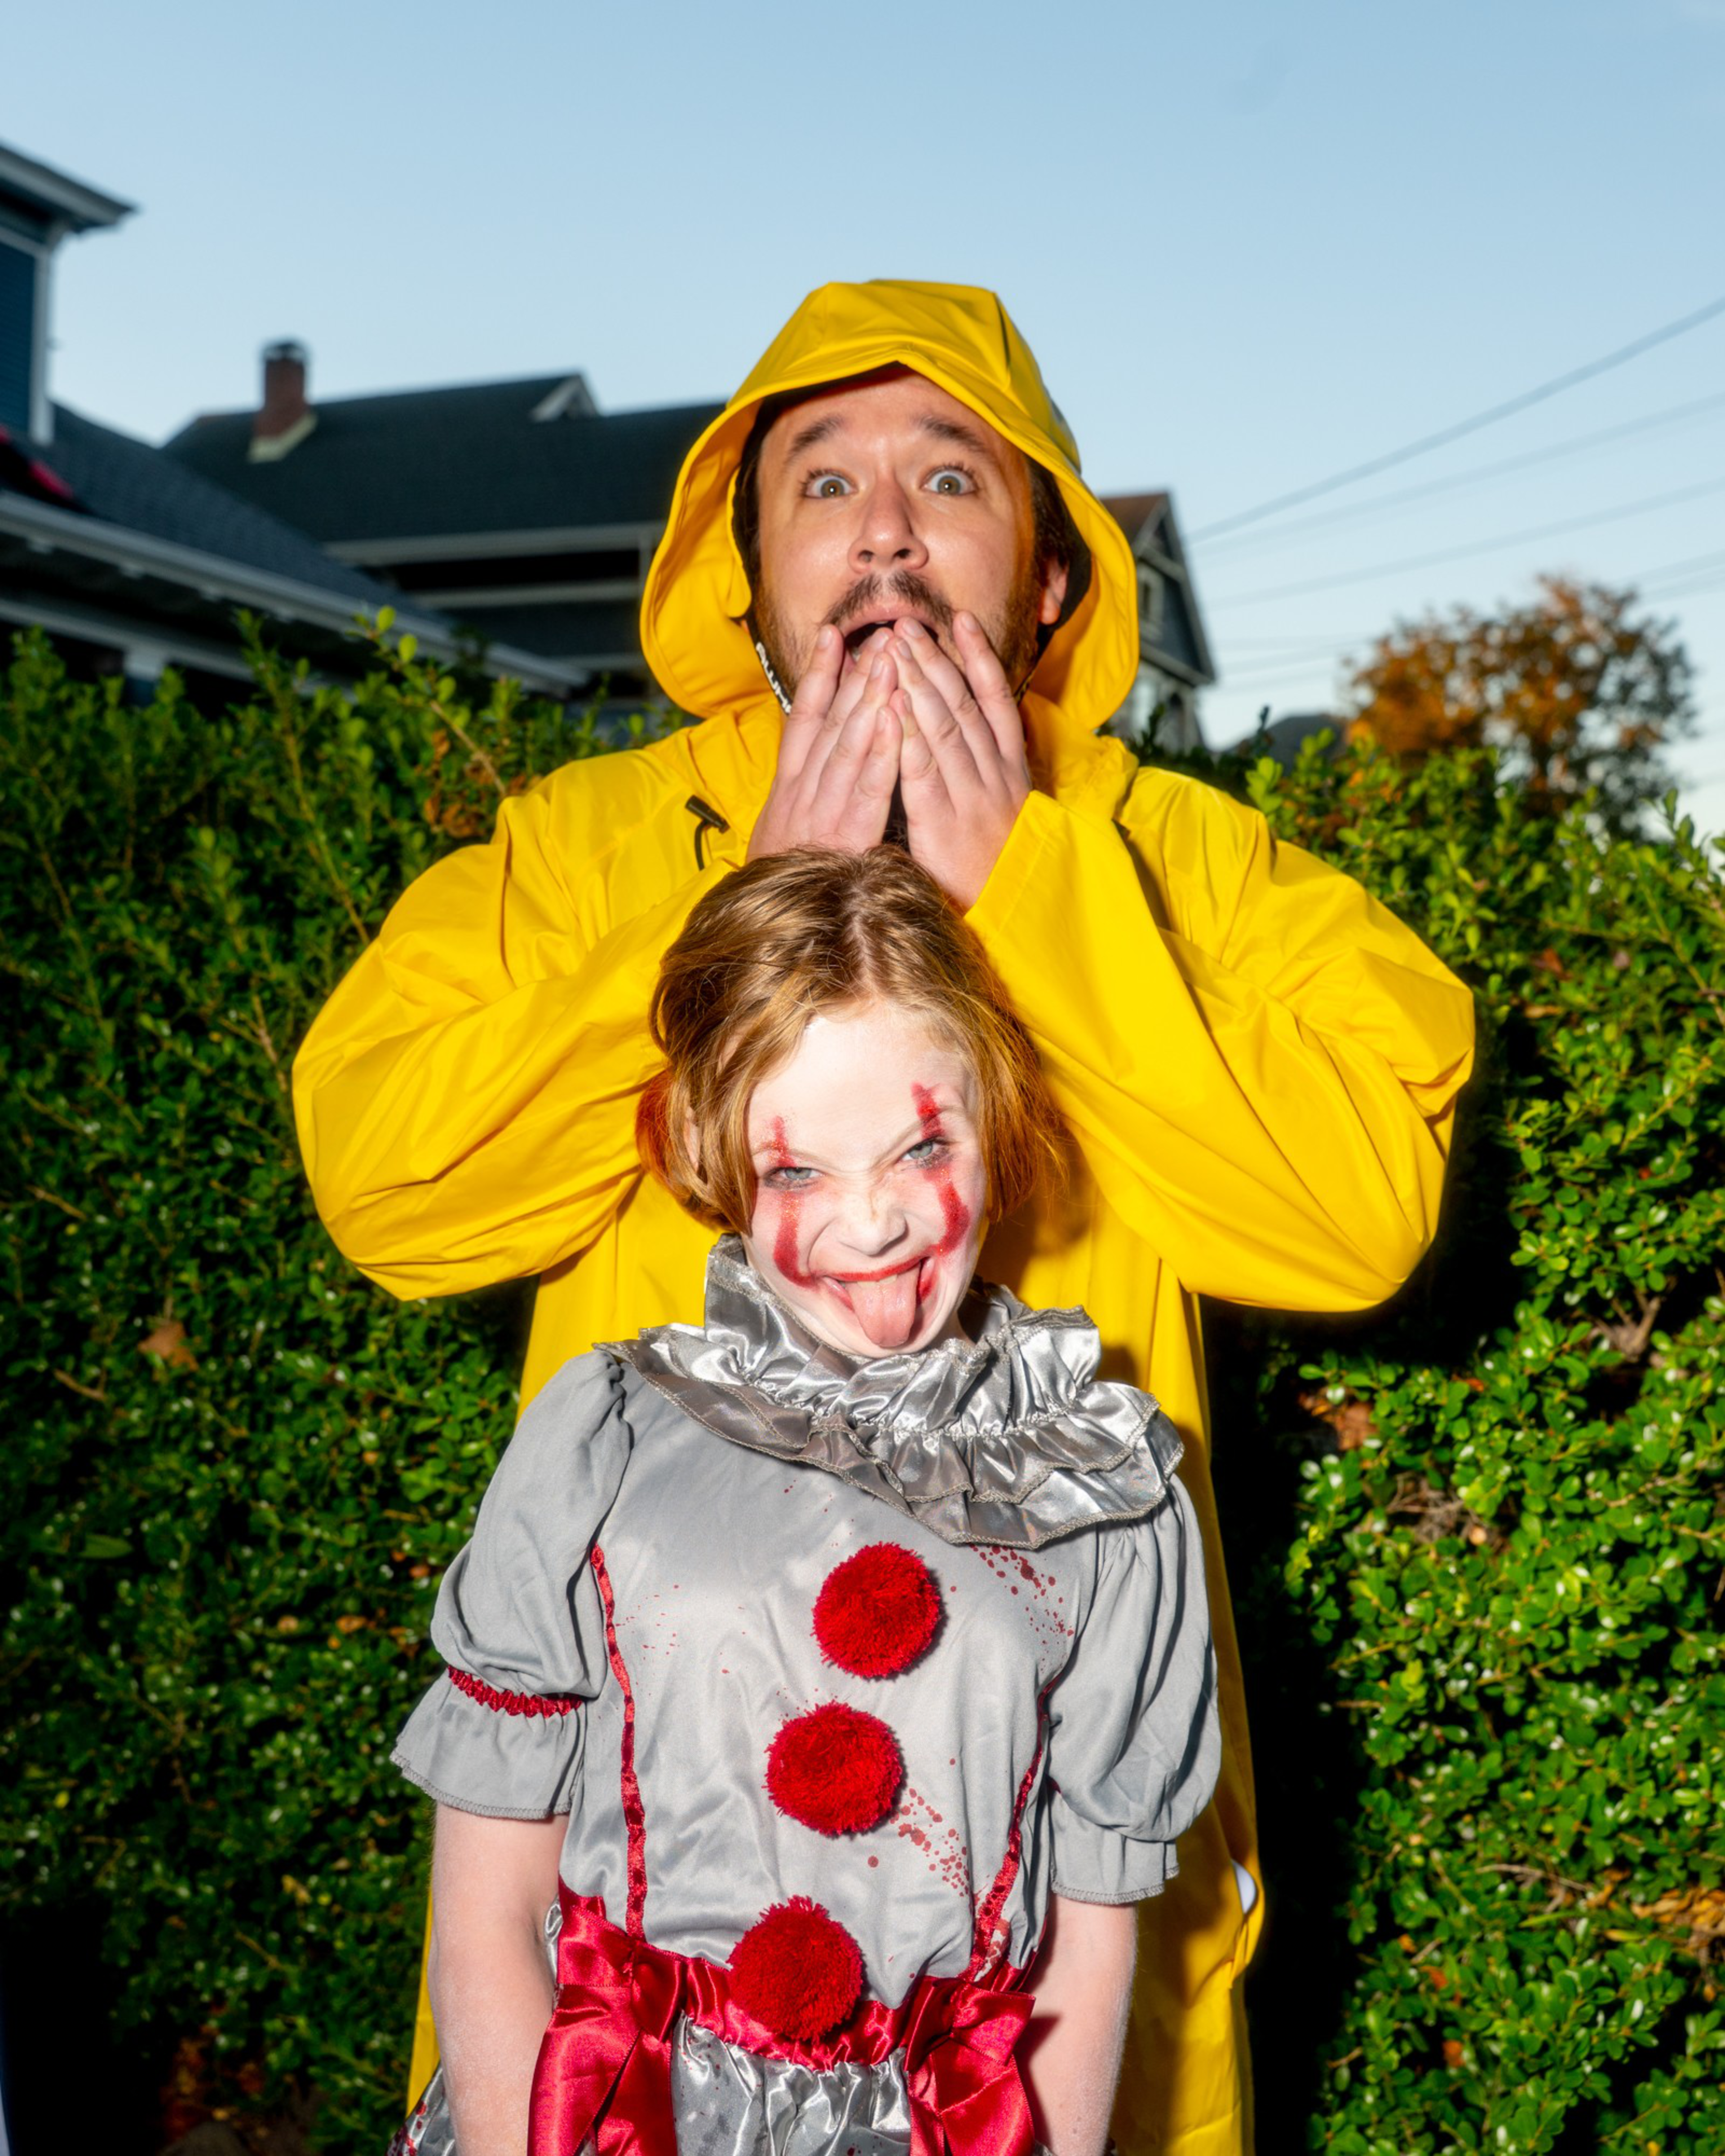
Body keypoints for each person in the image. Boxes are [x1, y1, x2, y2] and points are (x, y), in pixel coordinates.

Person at [294, 279, 1476, 2155]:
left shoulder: (1195, 865)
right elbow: (393, 1188)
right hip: (638, 1931)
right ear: (745, 580)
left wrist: (1036, 885)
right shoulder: (581, 848)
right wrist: (739, 909)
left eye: (954, 479)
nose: (889, 529)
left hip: (1054, 1924)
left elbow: (1352, 1219)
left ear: (1054, 583)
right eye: (821, 483)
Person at [389, 845, 1221, 2156]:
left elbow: (1088, 1959)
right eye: (800, 1172)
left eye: (920, 1147)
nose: (875, 1223)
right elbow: (484, 1911)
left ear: (995, 1118)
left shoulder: (1108, 1501)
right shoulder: (604, 1436)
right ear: (722, 1159)